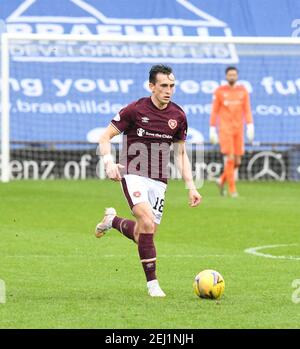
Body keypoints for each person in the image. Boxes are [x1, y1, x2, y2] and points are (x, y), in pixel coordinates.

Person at [96, 64, 202, 297]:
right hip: (133, 173)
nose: (169, 90)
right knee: (146, 218)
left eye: (172, 86)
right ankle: (153, 285)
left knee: (144, 232)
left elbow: (181, 154)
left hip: (159, 181)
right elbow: (105, 137)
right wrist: (109, 163)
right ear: (151, 86)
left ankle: (112, 220)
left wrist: (191, 187)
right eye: (164, 85)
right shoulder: (134, 110)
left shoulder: (178, 116)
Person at [209, 66, 254, 197]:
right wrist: (212, 128)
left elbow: (247, 109)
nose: (232, 77)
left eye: (234, 75)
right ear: (226, 76)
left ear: (237, 76)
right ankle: (232, 190)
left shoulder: (243, 91)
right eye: (230, 75)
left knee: (238, 161)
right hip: (225, 129)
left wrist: (250, 125)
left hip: (239, 130)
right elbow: (214, 111)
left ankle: (221, 179)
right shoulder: (220, 91)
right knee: (230, 158)